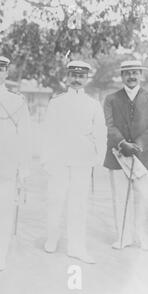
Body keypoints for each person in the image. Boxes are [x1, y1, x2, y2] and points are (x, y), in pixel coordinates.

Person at [41, 60, 106, 264]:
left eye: (81, 76)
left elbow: (100, 133)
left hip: (82, 160)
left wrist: (98, 158)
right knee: (55, 200)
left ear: (86, 79)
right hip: (59, 160)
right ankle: (52, 238)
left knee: (78, 204)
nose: (77, 80)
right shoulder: (56, 102)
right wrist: (46, 160)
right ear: (67, 77)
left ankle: (76, 246)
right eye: (73, 75)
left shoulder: (93, 104)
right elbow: (47, 133)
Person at [0, 56, 32, 271]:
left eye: (1, 70)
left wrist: (24, 168)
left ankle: (1, 252)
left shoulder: (17, 100)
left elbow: (25, 135)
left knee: (3, 207)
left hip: (8, 162)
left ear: (6, 73)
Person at [103, 60, 148, 250]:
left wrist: (138, 144)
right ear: (121, 76)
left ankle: (141, 236)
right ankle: (123, 236)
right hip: (118, 154)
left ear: (141, 75)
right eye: (127, 73)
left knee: (143, 197)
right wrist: (122, 143)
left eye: (135, 72)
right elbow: (109, 125)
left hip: (142, 155)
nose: (131, 76)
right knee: (120, 197)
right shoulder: (111, 99)